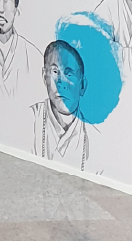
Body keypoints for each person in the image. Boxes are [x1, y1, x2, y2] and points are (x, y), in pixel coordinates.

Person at [30, 40, 91, 171]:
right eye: (55, 72)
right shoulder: (29, 119)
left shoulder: (94, 137)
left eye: (69, 74)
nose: (61, 83)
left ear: (82, 85)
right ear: (44, 77)